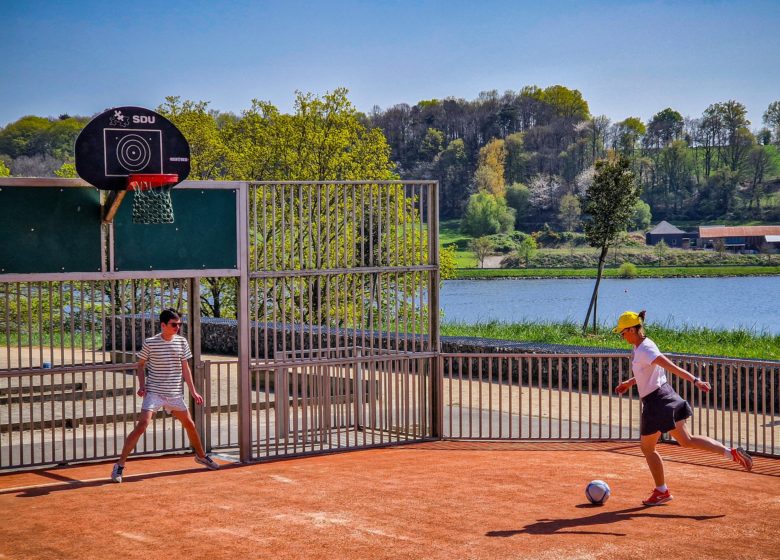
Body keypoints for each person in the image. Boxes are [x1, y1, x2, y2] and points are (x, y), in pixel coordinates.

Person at [613, 310, 752, 506]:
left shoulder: (645, 349)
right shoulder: (641, 347)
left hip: (657, 402)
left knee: (647, 447)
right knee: (687, 440)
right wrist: (630, 382)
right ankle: (731, 453)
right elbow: (648, 372)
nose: (622, 337)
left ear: (632, 330)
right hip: (666, 395)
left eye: (622, 333)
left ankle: (662, 491)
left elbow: (671, 367)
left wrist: (695, 380)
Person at [111, 309, 219, 482]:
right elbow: (140, 365)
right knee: (142, 425)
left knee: (190, 425)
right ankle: (119, 465)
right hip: (154, 392)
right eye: (174, 324)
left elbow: (185, 368)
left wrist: (193, 391)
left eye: (179, 324)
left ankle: (201, 456)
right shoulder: (150, 343)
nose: (177, 327)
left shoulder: (182, 342)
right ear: (163, 325)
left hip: (174, 393)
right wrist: (142, 385)